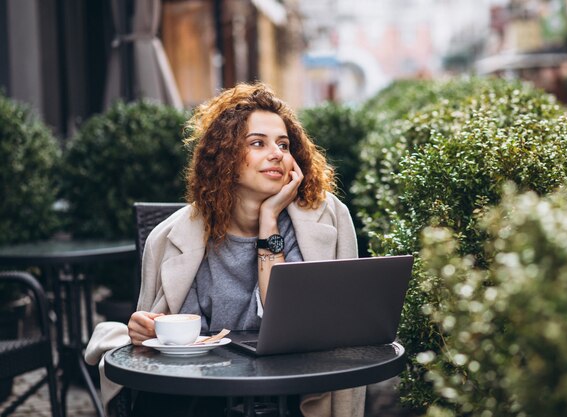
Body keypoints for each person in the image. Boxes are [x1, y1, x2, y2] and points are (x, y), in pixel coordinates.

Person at [85, 82, 365, 417]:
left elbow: (287, 326)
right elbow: (173, 342)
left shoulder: (322, 221)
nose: (276, 153)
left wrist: (269, 219)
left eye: (284, 144)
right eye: (257, 143)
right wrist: (144, 327)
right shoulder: (174, 236)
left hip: (290, 391)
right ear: (226, 156)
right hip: (203, 393)